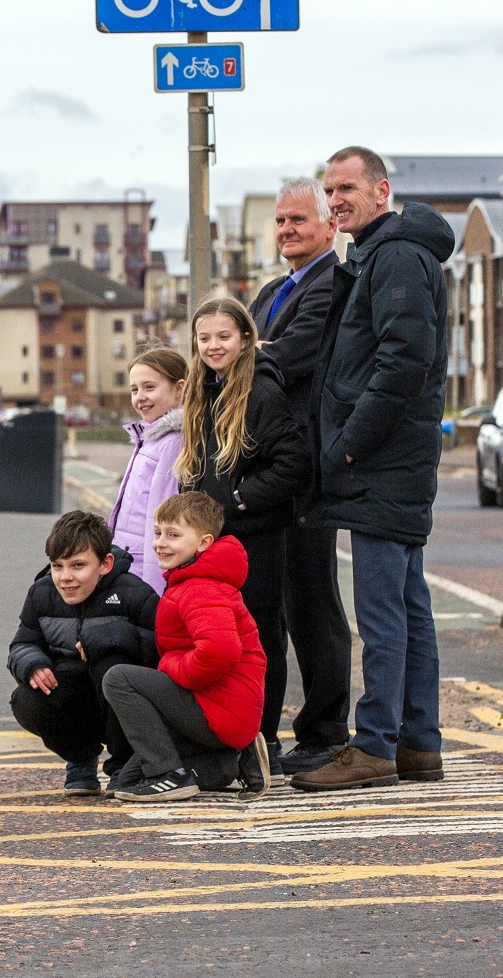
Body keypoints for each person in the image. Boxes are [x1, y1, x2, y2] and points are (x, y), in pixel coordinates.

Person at [292, 145, 456, 794]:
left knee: (383, 612)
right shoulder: (379, 253)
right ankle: (418, 742)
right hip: (390, 460)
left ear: (380, 190)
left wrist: (348, 445)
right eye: (329, 190)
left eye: (346, 188)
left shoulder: (393, 255)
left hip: (382, 462)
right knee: (408, 607)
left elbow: (402, 361)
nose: (335, 200)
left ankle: (374, 743)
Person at [179, 294, 312, 771]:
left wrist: (236, 500)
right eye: (204, 338)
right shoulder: (201, 391)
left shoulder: (262, 390)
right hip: (211, 544)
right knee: (218, 641)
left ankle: (265, 740)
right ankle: (228, 739)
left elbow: (293, 462)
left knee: (259, 639)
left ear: (246, 339)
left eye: (223, 336)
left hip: (256, 539)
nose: (213, 346)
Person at [247, 176, 352, 776]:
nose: (287, 230)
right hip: (265, 469)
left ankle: (326, 730)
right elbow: (249, 349)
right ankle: (262, 733)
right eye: (281, 222)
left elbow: (290, 354)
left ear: (328, 227)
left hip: (306, 466)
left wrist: (245, 355)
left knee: (313, 604)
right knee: (264, 609)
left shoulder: (331, 284)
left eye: (299, 221)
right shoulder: (270, 291)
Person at [101, 492, 268, 803]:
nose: (160, 543)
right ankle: (232, 761)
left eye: (173, 535)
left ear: (204, 542)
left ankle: (170, 775)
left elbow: (220, 651)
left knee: (118, 678)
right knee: (126, 782)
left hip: (219, 708)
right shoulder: (192, 579)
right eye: (158, 532)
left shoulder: (200, 587)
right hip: (222, 710)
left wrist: (172, 670)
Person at [6, 511, 159, 795]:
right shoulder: (41, 594)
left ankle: (125, 764)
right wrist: (32, 664)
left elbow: (163, 650)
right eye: (57, 566)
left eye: (78, 565)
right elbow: (22, 644)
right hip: (74, 695)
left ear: (105, 564)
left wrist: (114, 638)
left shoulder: (135, 594)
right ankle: (80, 759)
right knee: (25, 699)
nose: (66, 577)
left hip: (123, 704)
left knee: (112, 663)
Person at [106, 347, 188, 594]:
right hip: (126, 562)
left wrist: (156, 588)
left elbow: (161, 515)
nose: (140, 396)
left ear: (179, 389)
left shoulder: (172, 442)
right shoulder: (149, 437)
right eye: (134, 389)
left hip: (143, 571)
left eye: (149, 387)